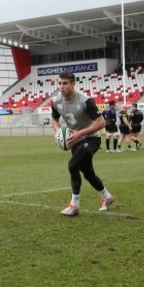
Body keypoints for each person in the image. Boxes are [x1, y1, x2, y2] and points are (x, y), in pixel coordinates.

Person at [51, 71, 115, 216]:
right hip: (74, 141)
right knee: (88, 174)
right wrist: (58, 132)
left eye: (65, 83)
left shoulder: (86, 101)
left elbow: (101, 122)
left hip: (91, 139)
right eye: (60, 83)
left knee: (72, 166)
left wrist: (80, 133)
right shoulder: (56, 101)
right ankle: (107, 197)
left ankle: (74, 205)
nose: (62, 87)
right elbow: (54, 120)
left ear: (73, 84)